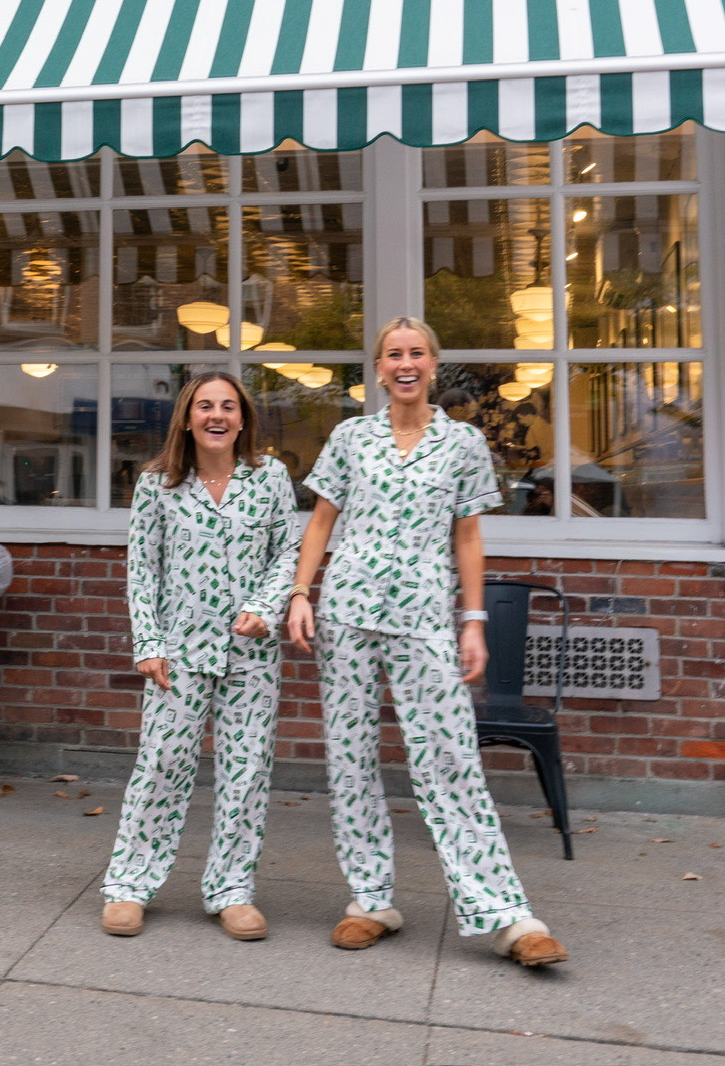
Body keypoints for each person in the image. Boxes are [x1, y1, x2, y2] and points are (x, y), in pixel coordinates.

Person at [263, 317, 569, 967]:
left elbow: (468, 538)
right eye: (392, 354)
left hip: (426, 618)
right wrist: (299, 593)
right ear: (377, 369)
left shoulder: (462, 444)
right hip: (346, 613)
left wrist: (475, 620)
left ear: (433, 365)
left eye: (417, 353)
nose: (405, 363)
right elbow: (320, 523)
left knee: (451, 757)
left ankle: (507, 916)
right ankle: (371, 900)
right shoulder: (350, 438)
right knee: (350, 759)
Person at [101, 372, 298, 941]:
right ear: (187, 418)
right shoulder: (157, 484)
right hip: (177, 652)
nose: (217, 416)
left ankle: (232, 891)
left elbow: (288, 551)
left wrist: (266, 605)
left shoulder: (271, 478)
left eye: (228, 407)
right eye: (205, 406)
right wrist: (148, 645)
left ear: (243, 419)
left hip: (250, 653)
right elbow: (142, 569)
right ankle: (129, 886)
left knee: (246, 771)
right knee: (161, 764)